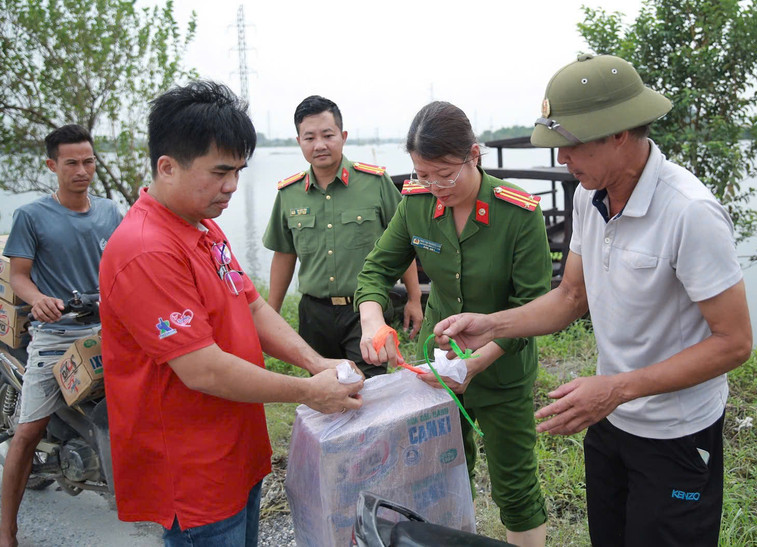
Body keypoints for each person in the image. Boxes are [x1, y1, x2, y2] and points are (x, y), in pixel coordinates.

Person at [434, 54, 753, 545]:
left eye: (572, 145)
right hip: (609, 420)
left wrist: (616, 389)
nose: (562, 160)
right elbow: (570, 296)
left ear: (619, 133)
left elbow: (734, 343)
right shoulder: (590, 196)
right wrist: (493, 324)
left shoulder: (690, 213)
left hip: (676, 433)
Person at [98, 81, 364, 546]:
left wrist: (317, 363)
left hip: (237, 451)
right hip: (194, 472)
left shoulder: (203, 226)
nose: (232, 187)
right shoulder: (146, 250)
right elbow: (202, 370)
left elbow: (253, 305)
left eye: (239, 171)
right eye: (221, 171)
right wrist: (309, 392)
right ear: (167, 167)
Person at [355, 101, 552, 547]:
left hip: (502, 371)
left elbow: (534, 308)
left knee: (515, 485)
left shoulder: (518, 214)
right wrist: (372, 323)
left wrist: (478, 363)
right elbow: (375, 271)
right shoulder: (417, 205)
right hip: (436, 371)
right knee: (438, 472)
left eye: (445, 173)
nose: (435, 186)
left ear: (474, 155)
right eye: (423, 174)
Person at [0, 124, 122, 547]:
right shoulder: (31, 216)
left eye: (88, 161)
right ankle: (7, 532)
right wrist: (38, 300)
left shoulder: (110, 212)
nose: (82, 170)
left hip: (106, 329)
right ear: (52, 165)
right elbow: (18, 276)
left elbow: (125, 268)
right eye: (71, 162)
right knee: (27, 432)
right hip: (55, 335)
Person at [262, 95, 423, 378]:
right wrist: (270, 316)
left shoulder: (374, 183)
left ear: (343, 136)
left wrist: (414, 298)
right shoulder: (289, 194)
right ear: (299, 141)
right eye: (309, 137)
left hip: (366, 310)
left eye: (328, 135)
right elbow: (284, 255)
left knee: (369, 390)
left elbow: (402, 244)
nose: (320, 145)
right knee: (325, 391)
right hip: (314, 314)